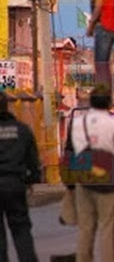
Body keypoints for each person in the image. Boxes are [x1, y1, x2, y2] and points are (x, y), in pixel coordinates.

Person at [67, 84, 114, 262]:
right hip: (108, 180)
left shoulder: (77, 123)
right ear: (109, 103)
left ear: (90, 103)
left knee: (85, 229)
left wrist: (70, 184)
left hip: (84, 179)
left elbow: (69, 153)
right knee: (107, 229)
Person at [0, 91, 41, 262]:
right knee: (21, 228)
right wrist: (32, 180)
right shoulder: (22, 129)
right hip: (15, 184)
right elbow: (33, 159)